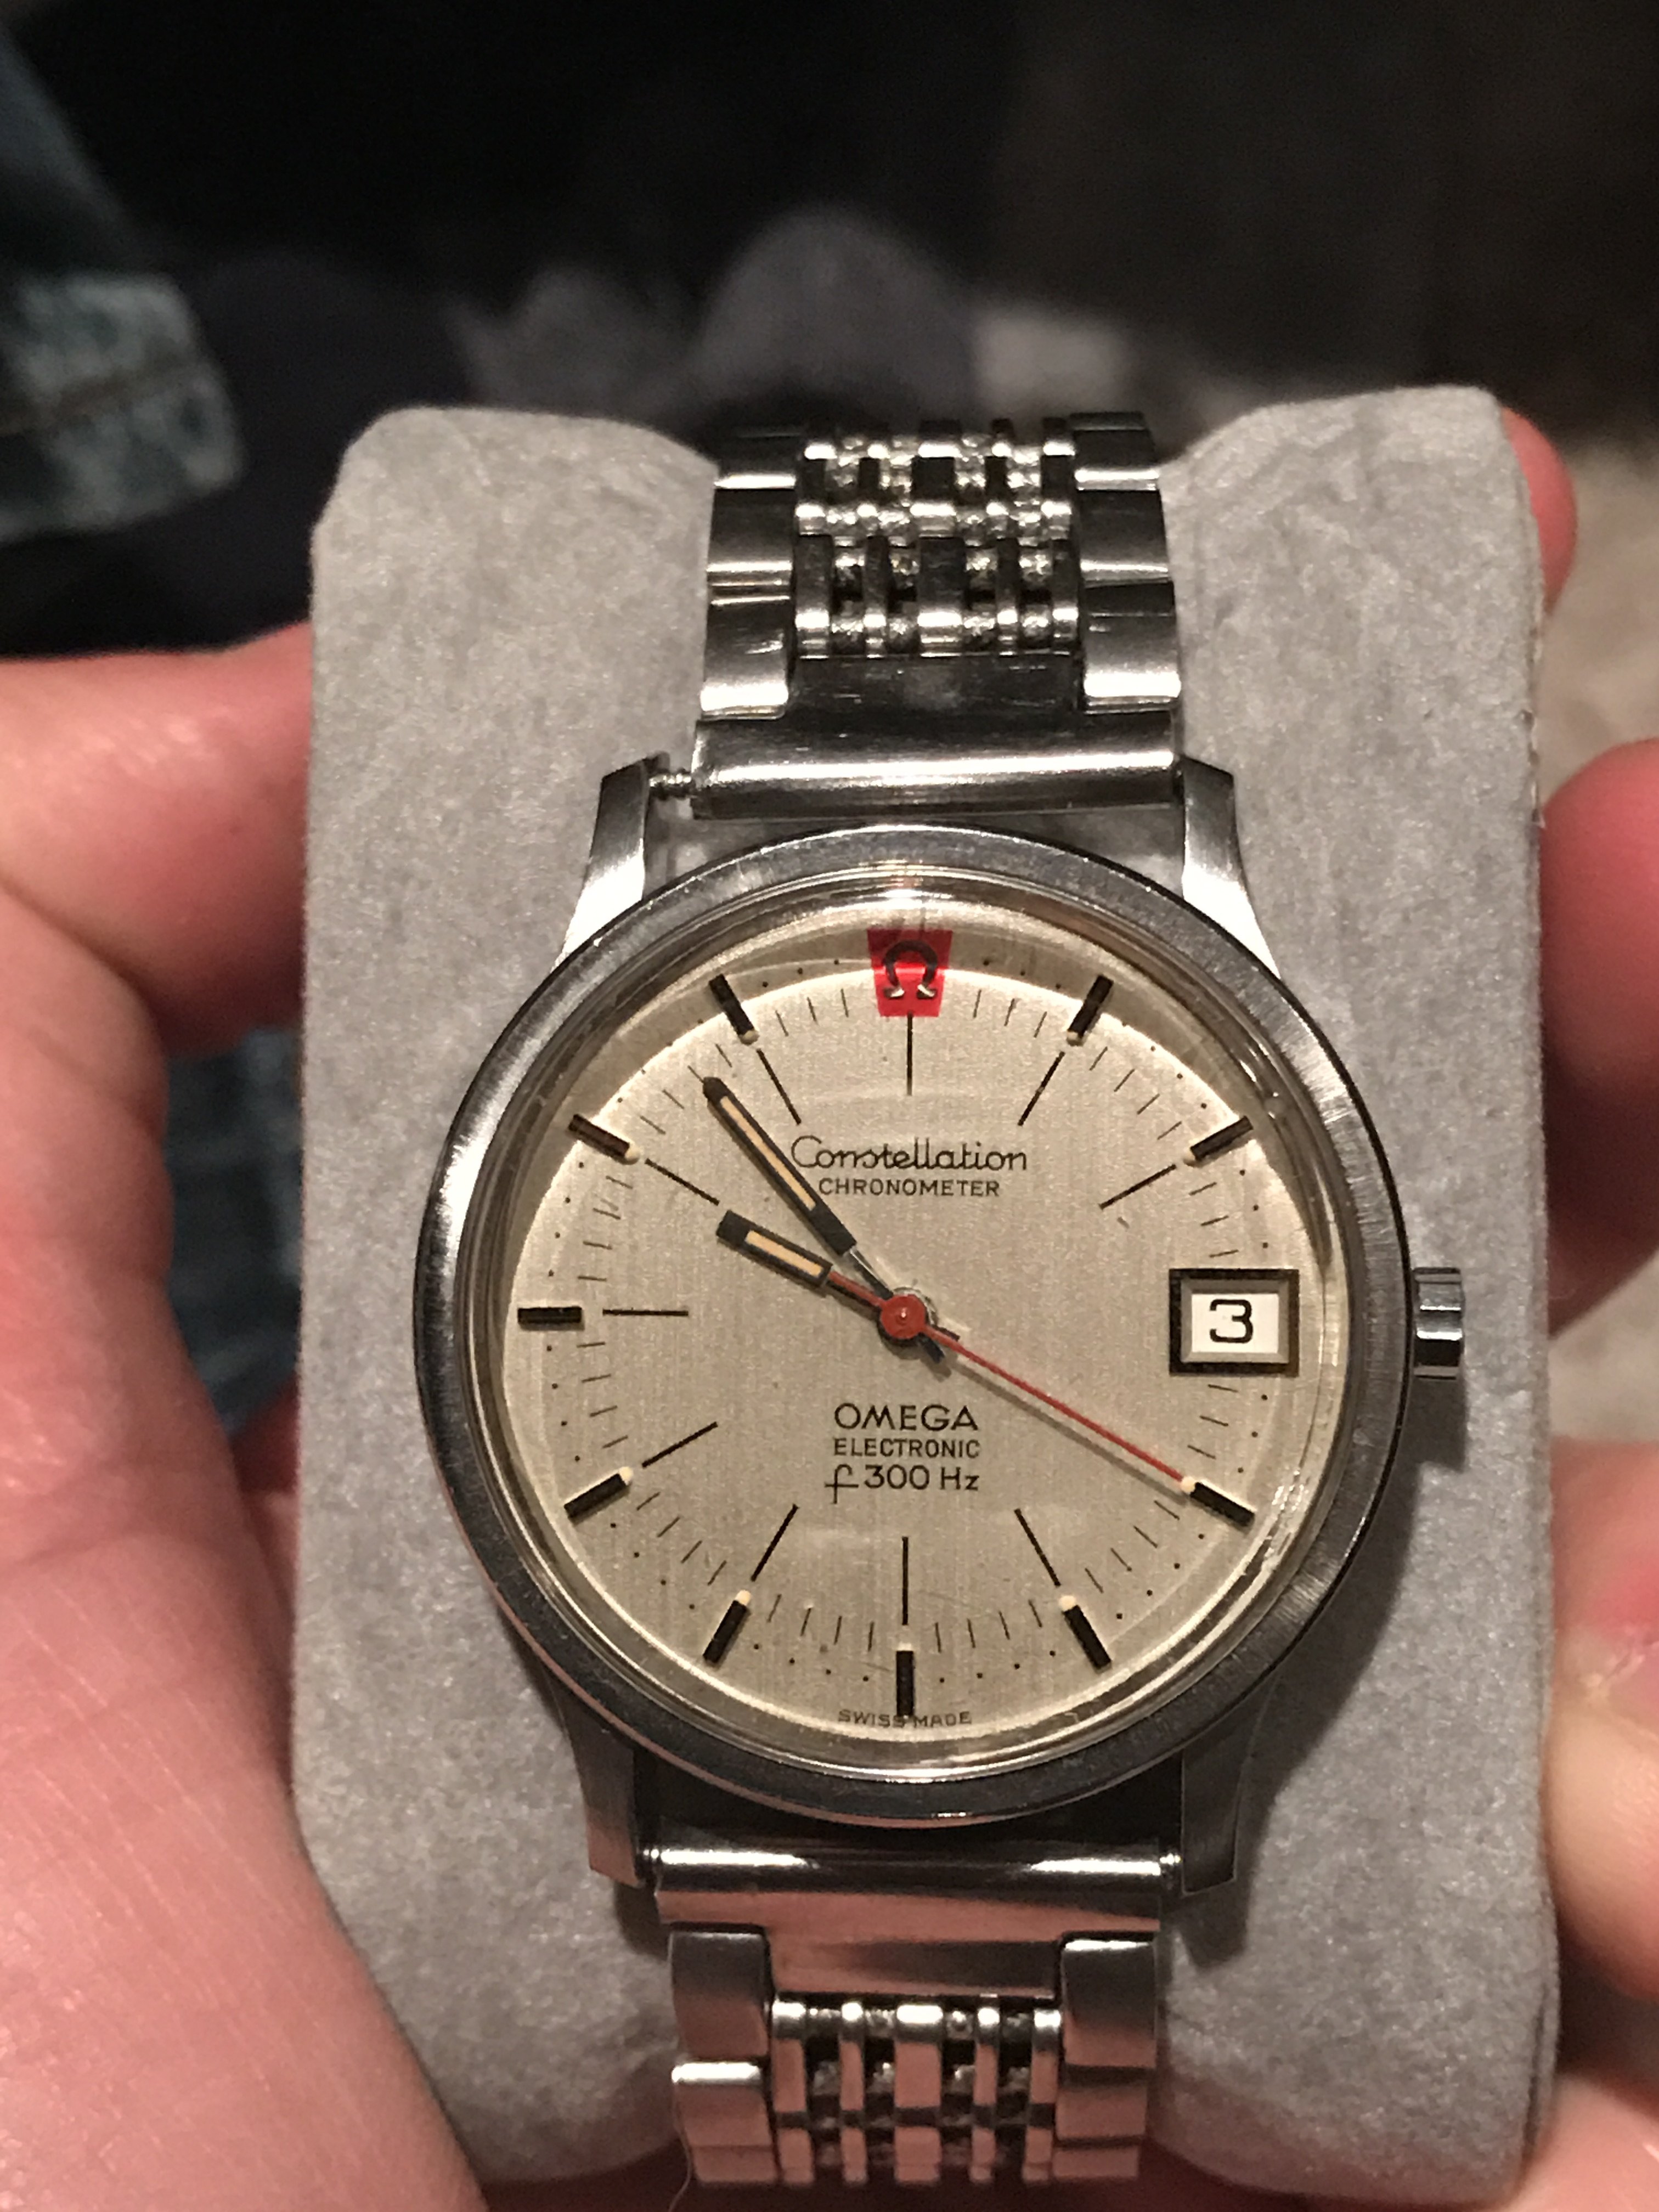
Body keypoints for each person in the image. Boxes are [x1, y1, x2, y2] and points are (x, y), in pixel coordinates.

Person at [1, 420, 1654, 2211]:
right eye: (888, 1307)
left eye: (905, 1314)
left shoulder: (1166, 890)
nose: (910, 1322)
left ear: (1401, 1321)